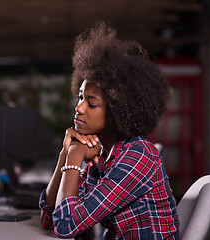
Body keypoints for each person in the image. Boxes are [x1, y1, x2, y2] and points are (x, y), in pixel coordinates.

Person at [39, 23, 181, 239]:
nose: (79, 108)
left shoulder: (137, 156)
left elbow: (65, 227)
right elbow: (50, 218)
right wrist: (64, 155)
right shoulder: (102, 155)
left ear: (117, 110)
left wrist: (75, 156)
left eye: (92, 103)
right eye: (80, 97)